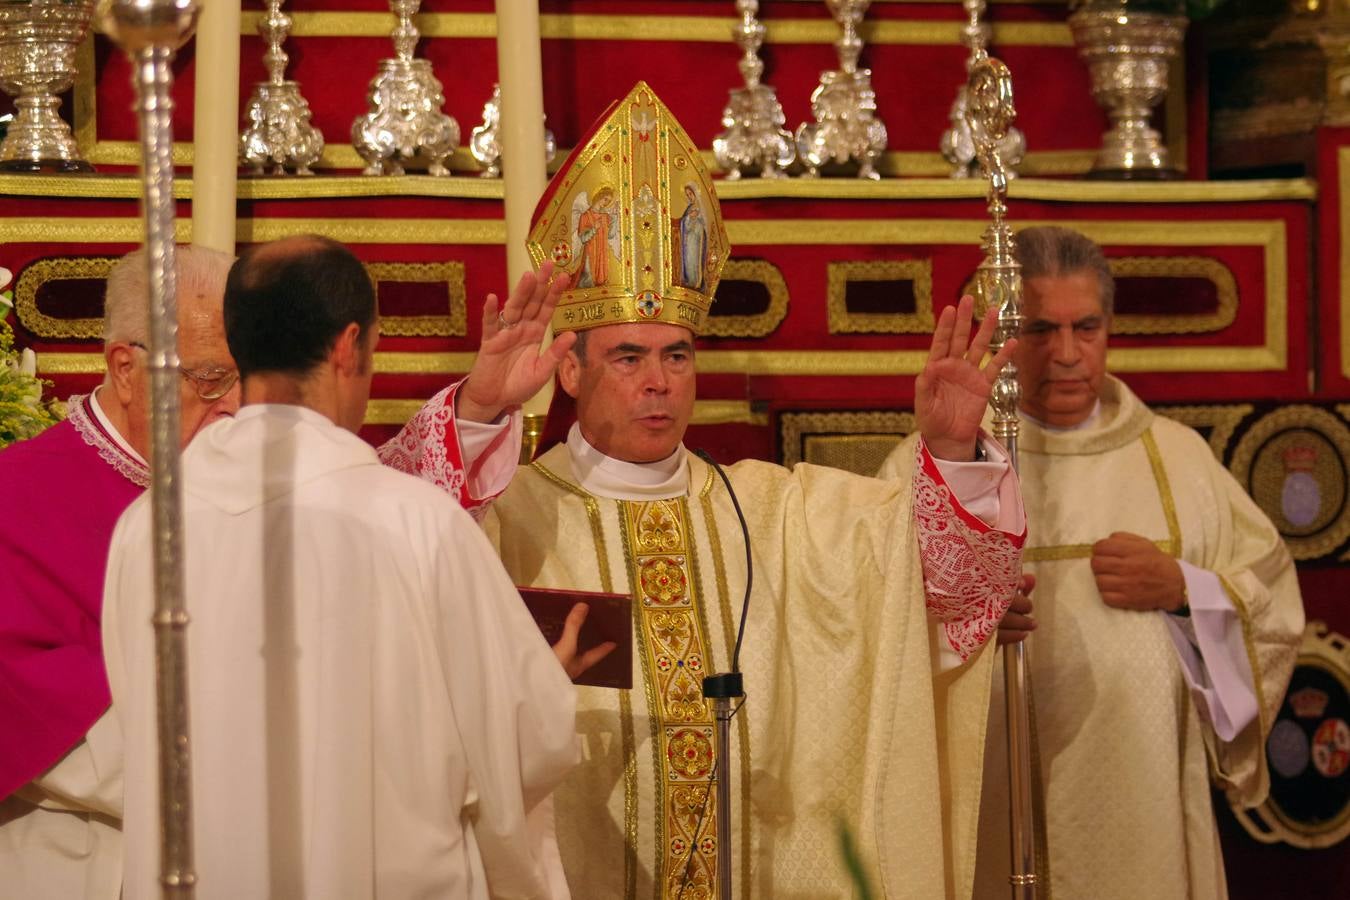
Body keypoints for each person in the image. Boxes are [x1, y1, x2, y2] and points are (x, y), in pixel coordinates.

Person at [383, 83, 1028, 900]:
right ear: (570, 369)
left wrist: (948, 446)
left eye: (677, 356)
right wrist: (477, 411)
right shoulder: (509, 514)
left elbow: (930, 579)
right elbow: (386, 554)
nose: (658, 383)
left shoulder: (777, 512)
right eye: (628, 357)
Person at [102, 236, 581, 899]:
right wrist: (532, 687)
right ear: (348, 345)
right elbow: (525, 746)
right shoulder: (416, 523)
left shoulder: (145, 530)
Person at [878, 225, 1305, 899]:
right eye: (1041, 330)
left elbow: (1274, 612)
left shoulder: (1178, 459)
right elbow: (873, 615)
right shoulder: (942, 458)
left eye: (1088, 327)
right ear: (1005, 333)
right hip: (992, 787)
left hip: (1141, 799)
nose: (1068, 354)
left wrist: (1186, 589)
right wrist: (968, 615)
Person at [0, 246, 237, 900]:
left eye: (245, 378)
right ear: (127, 369)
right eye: (211, 379)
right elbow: (25, 706)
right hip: (73, 853)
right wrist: (238, 780)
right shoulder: (17, 496)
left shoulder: (246, 475)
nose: (234, 406)